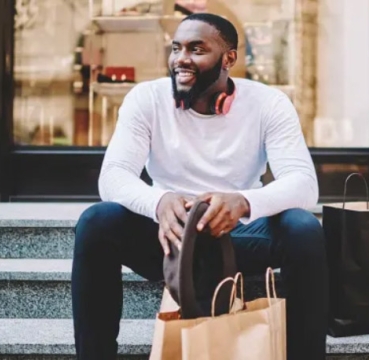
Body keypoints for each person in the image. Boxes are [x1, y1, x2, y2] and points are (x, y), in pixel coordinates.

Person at [71, 12, 328, 360]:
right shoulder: (146, 99)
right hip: (169, 240)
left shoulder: (269, 103)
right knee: (96, 222)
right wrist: (159, 201)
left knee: (303, 228)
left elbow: (303, 184)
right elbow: (113, 175)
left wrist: (243, 202)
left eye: (196, 49)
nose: (181, 59)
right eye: (176, 48)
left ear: (229, 59)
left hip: (238, 239)